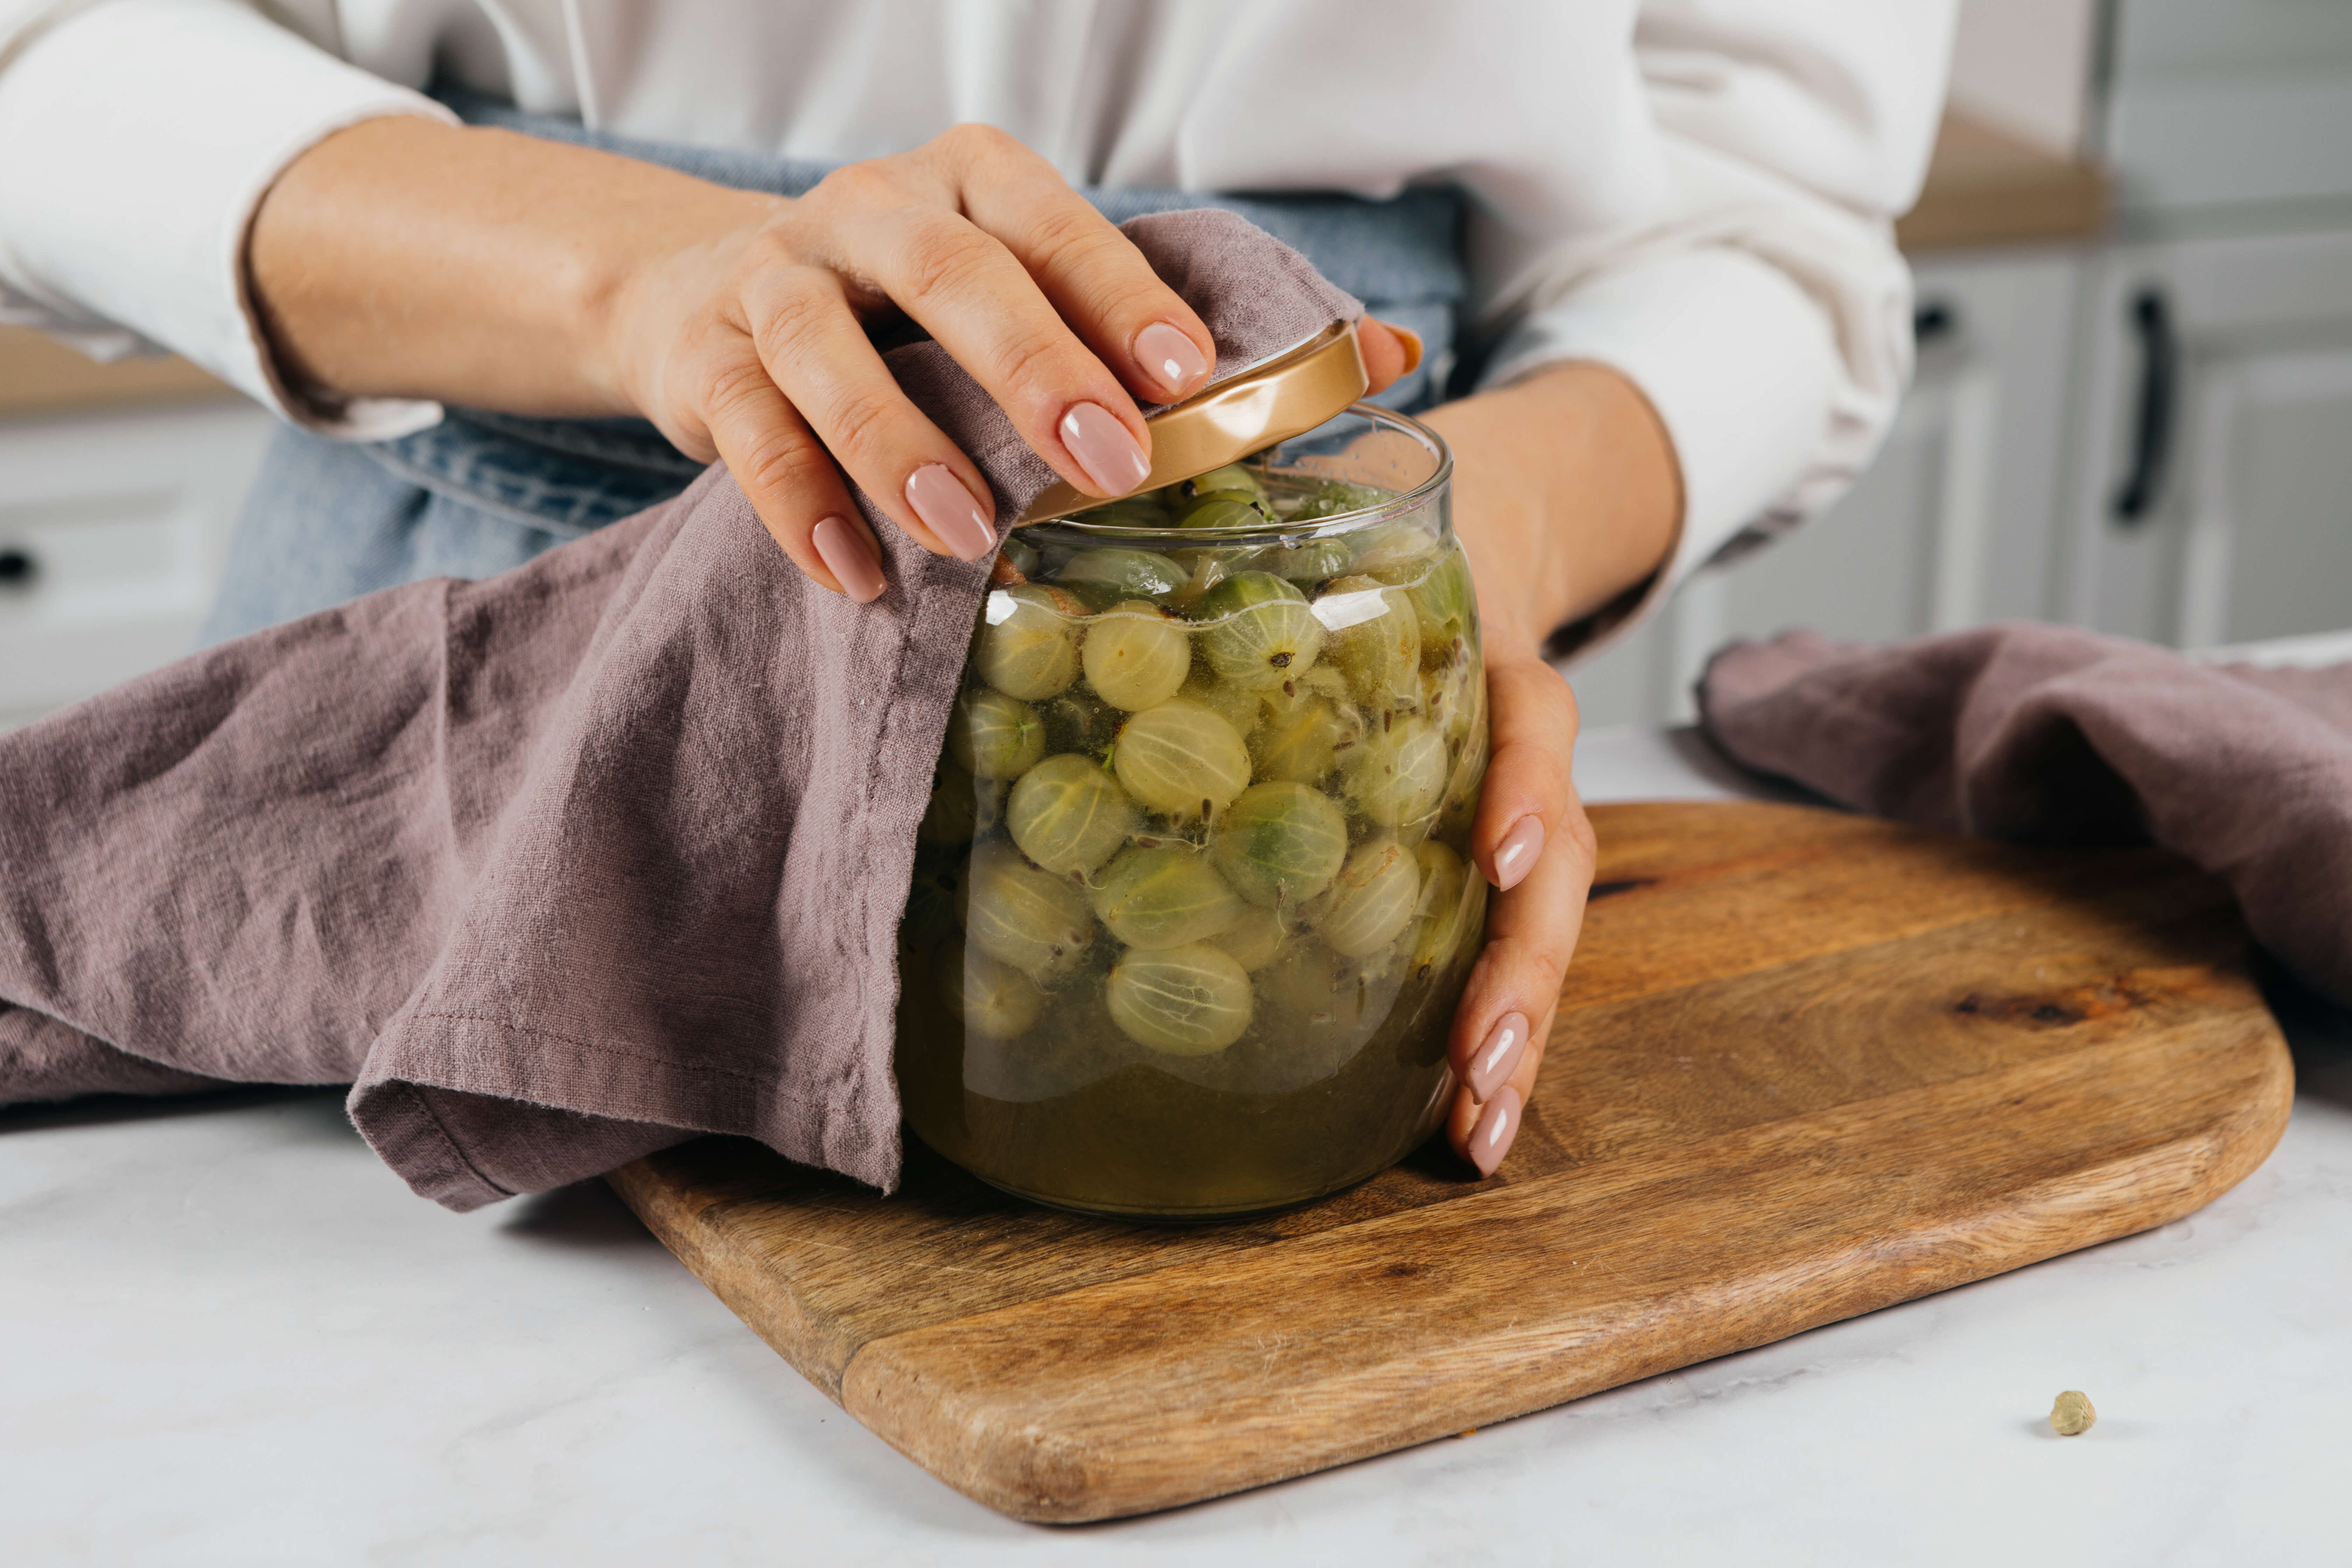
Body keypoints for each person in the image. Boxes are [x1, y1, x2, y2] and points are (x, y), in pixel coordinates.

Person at [0, 0, 1954, 1176]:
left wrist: (1478, 553)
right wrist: (647, 276)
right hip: (483, 642)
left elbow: (1766, 212)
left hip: (1316, 602)